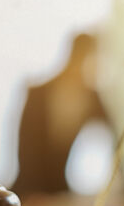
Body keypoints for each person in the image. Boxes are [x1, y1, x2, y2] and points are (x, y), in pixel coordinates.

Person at [12, 33, 107, 196]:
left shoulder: (92, 97)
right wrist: (33, 192)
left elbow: (120, 139)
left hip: (60, 191)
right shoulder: (38, 94)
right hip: (29, 191)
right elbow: (25, 147)